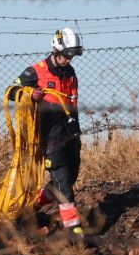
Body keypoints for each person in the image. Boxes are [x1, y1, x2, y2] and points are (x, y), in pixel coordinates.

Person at [10, 27, 85, 238]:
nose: (69, 60)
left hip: (70, 132)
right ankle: (74, 229)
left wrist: (76, 132)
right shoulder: (35, 71)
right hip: (48, 135)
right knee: (62, 180)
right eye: (67, 55)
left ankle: (32, 206)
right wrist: (29, 93)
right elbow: (11, 91)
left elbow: (72, 103)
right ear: (56, 50)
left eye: (72, 55)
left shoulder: (70, 73)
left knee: (69, 178)